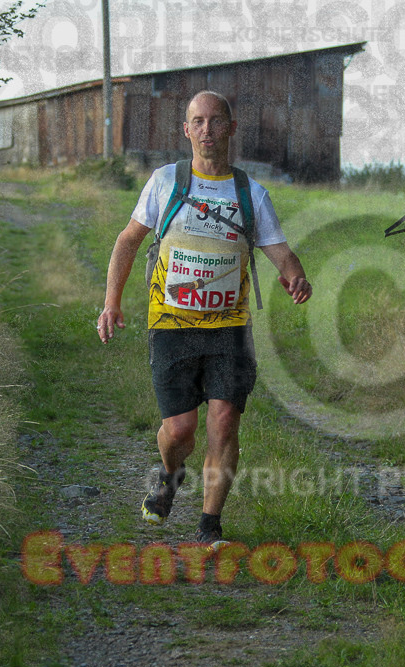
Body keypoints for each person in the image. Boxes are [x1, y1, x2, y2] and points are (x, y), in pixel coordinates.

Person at [96, 90, 312, 548]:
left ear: (231, 128)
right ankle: (171, 473)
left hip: (229, 329)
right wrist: (112, 300)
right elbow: (128, 241)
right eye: (199, 121)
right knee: (180, 430)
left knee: (224, 420)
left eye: (216, 121)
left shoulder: (251, 193)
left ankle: (209, 525)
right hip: (172, 324)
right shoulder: (165, 182)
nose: (208, 131)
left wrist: (295, 277)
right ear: (186, 129)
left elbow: (279, 251)